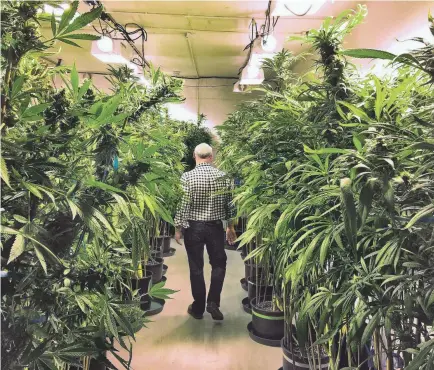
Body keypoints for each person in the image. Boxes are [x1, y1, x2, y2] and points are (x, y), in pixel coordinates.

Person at [174, 143, 237, 321]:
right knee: (219, 264)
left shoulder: (187, 177)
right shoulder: (224, 177)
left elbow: (184, 204)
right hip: (215, 227)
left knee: (196, 267)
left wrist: (178, 227)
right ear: (211, 157)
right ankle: (213, 303)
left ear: (195, 156)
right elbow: (230, 204)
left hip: (193, 227)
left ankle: (198, 308)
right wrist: (230, 227)